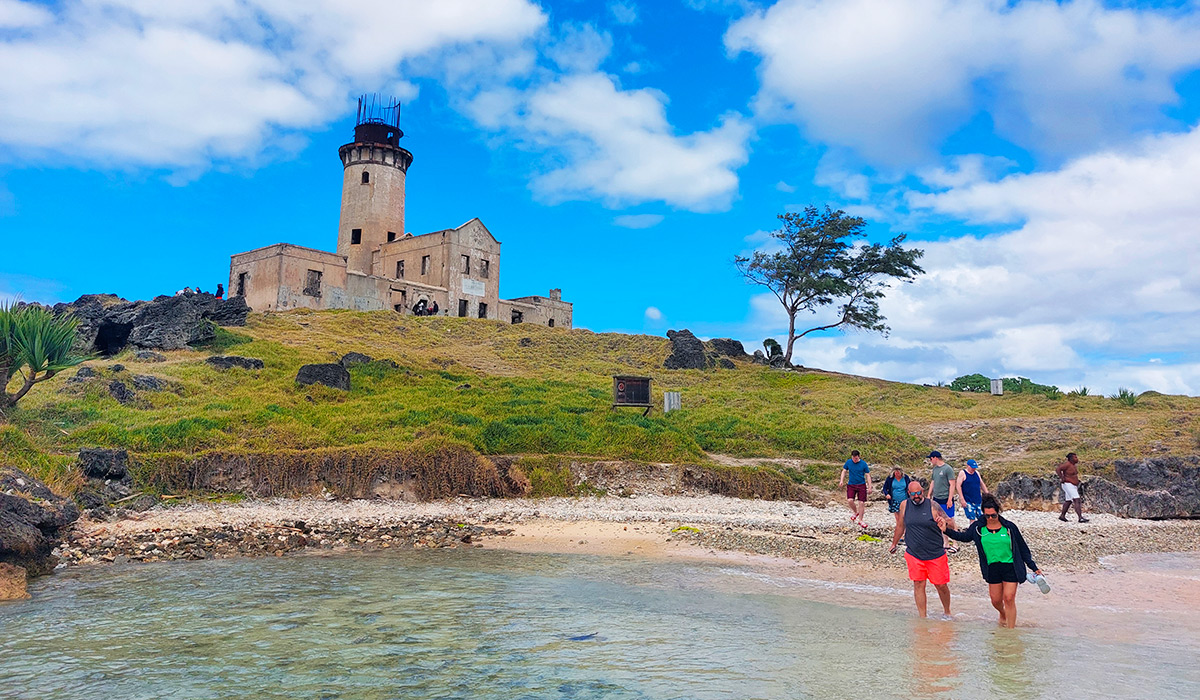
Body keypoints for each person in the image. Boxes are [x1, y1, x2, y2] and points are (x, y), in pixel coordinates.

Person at [943, 494, 1042, 628]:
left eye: (993, 515)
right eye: (987, 515)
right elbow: (964, 537)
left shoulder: (1009, 527)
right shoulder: (978, 527)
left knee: (1009, 598)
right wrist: (946, 530)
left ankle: (1010, 633)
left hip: (1011, 567)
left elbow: (1023, 549)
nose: (990, 518)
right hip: (992, 568)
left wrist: (1033, 567)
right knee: (995, 601)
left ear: (998, 512)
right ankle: (1003, 613)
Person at [890, 481, 953, 618]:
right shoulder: (904, 505)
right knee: (918, 584)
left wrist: (943, 523)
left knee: (940, 585)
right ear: (909, 494)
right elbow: (900, 526)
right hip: (914, 553)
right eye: (913, 494)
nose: (916, 496)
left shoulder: (932, 505)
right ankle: (922, 617)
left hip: (935, 553)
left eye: (919, 493)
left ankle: (947, 612)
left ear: (922, 491)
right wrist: (894, 543)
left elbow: (951, 522)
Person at [926, 451, 958, 552]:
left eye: (930, 459)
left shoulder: (947, 469)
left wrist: (950, 499)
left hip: (945, 498)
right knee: (939, 520)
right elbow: (933, 482)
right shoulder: (935, 469)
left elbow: (952, 484)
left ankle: (955, 542)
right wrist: (929, 494)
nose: (930, 461)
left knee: (950, 520)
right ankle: (946, 542)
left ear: (935, 458)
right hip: (936, 499)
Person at [838, 450, 871, 529]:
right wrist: (841, 480)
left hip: (861, 485)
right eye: (853, 458)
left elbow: (868, 475)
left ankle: (861, 520)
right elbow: (844, 471)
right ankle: (856, 512)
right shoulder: (849, 462)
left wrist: (870, 486)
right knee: (850, 500)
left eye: (856, 458)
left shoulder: (863, 464)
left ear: (858, 457)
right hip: (851, 484)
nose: (854, 460)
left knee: (861, 503)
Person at [1056, 453, 1089, 523]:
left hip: (1072, 485)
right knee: (1077, 499)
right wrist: (1062, 477)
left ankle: (1062, 516)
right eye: (1075, 457)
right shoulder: (1067, 464)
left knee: (1068, 501)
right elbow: (1058, 469)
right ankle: (1080, 517)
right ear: (1071, 458)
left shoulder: (1073, 465)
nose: (1077, 459)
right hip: (1068, 484)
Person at [882, 465, 912, 538]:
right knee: (898, 519)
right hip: (894, 500)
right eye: (895, 472)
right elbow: (885, 488)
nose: (897, 474)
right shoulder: (890, 478)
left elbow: (910, 486)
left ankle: (906, 533)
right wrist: (887, 494)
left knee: (905, 517)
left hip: (905, 500)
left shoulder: (906, 478)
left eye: (898, 472)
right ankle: (901, 535)